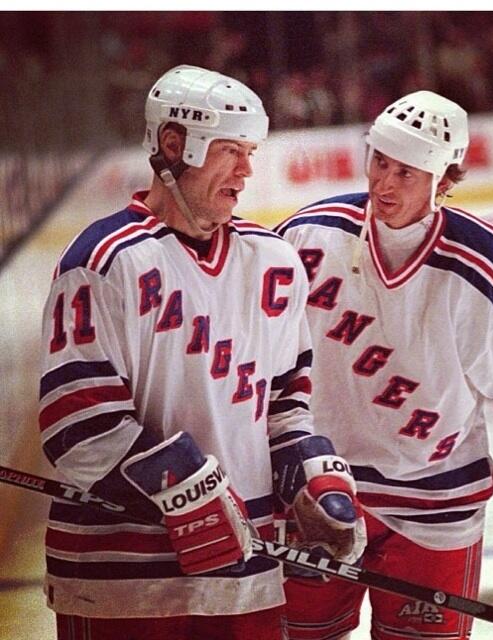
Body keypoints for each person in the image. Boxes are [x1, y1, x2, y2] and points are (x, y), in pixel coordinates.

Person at [38, 65, 365, 640]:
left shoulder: (274, 265)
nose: (246, 170)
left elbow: (286, 405)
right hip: (123, 582)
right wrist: (186, 488)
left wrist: (311, 480)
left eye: (250, 152)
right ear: (173, 145)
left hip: (245, 576)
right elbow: (77, 426)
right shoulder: (104, 261)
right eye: (231, 150)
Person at [274, 90, 493, 640]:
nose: (383, 184)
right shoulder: (308, 235)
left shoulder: (481, 263)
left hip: (438, 504)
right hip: (319, 492)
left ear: (443, 178)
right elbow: (255, 359)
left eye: (406, 173)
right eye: (378, 162)